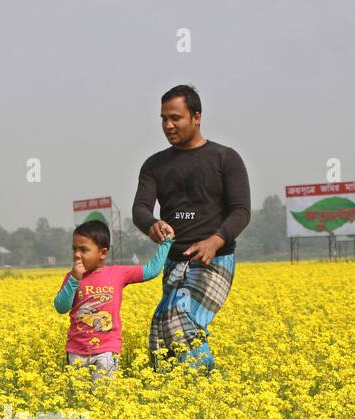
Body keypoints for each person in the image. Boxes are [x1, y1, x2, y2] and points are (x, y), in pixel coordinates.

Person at [132, 84, 251, 372]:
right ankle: (177, 398)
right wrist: (152, 224)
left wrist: (215, 241)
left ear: (196, 117)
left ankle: (206, 383)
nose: (168, 125)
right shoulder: (155, 165)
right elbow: (140, 209)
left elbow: (241, 211)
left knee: (178, 318)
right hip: (174, 261)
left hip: (213, 259)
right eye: (163, 119)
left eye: (176, 118)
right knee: (161, 333)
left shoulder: (225, 158)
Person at [52, 218, 173, 381]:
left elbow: (152, 270)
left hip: (106, 349)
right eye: (74, 249)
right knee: (81, 400)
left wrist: (166, 243)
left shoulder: (117, 273)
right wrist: (74, 280)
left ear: (103, 253)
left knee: (103, 397)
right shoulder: (72, 278)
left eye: (83, 250)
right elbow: (61, 307)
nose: (77, 255)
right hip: (76, 351)